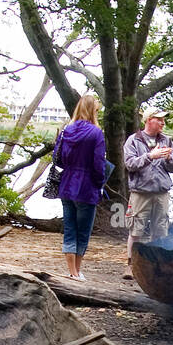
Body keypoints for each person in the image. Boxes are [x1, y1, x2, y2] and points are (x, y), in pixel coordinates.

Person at [56, 94, 106, 283]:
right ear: (92, 110)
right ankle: (77, 271)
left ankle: (72, 272)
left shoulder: (66, 131)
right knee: (83, 231)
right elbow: (98, 164)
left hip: (67, 184)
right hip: (86, 188)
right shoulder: (95, 133)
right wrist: (100, 183)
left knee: (70, 229)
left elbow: (58, 158)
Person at [122, 105, 173, 260]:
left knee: (160, 232)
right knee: (136, 231)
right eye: (159, 119)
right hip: (140, 193)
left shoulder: (167, 140)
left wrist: (168, 158)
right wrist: (150, 156)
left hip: (162, 193)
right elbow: (130, 164)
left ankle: (157, 266)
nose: (163, 123)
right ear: (149, 120)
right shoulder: (133, 140)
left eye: (163, 120)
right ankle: (131, 265)